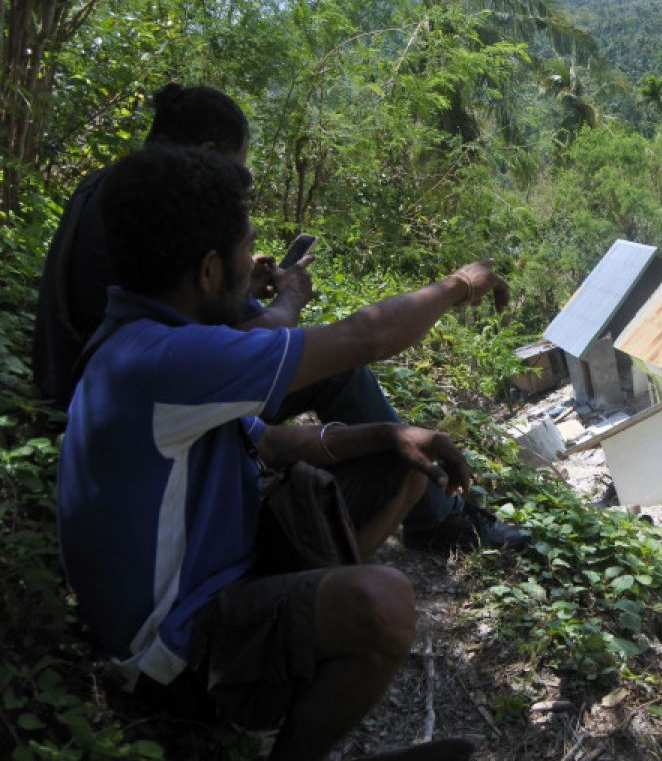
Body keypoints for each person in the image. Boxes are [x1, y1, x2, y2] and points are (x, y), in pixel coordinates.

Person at [58, 145, 509, 760]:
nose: (256, 266)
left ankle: (314, 644)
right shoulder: (169, 360)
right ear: (210, 271)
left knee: (405, 467)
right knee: (385, 602)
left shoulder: (156, 342)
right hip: (174, 655)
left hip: (215, 580)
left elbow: (269, 440)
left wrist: (387, 436)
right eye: (246, 252)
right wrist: (460, 284)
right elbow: (366, 336)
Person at [32, 83, 524, 551]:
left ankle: (416, 502)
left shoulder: (123, 194)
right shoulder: (144, 218)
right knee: (342, 368)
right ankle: (433, 520)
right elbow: (362, 337)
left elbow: (170, 308)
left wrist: (235, 284)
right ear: (205, 155)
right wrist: (456, 285)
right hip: (140, 407)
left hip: (105, 395)